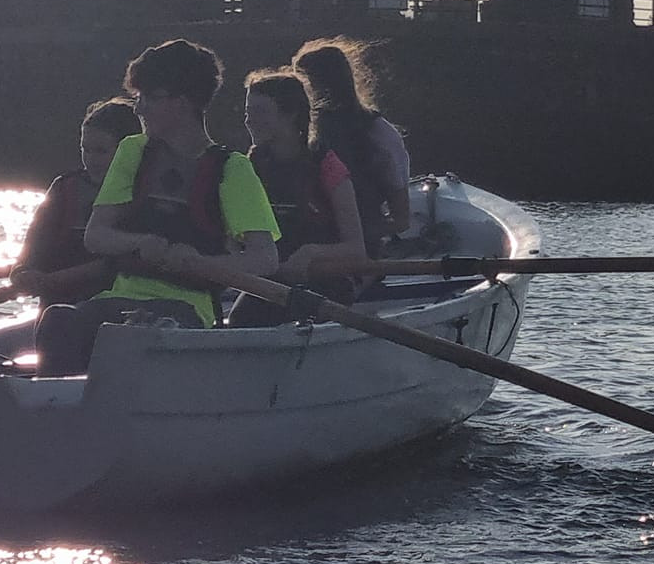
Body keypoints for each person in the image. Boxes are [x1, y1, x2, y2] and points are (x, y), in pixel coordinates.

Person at [33, 40, 278, 373]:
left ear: (183, 102)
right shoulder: (133, 152)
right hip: (120, 299)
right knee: (58, 321)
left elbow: (264, 258)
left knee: (143, 335)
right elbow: (97, 236)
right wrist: (140, 243)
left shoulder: (232, 168)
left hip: (189, 308)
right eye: (139, 98)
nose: (139, 109)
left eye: (149, 98)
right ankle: (58, 410)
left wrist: (201, 261)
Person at [226, 70, 366, 326]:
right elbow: (234, 234)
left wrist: (309, 253)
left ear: (290, 115)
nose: (249, 121)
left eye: (259, 112)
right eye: (248, 112)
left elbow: (357, 250)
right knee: (238, 321)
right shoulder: (252, 164)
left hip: (326, 281)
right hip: (271, 281)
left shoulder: (327, 166)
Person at [13, 98, 139, 307]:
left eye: (101, 151)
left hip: (113, 308)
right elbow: (35, 243)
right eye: (85, 149)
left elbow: (120, 263)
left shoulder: (142, 195)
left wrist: (53, 280)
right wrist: (22, 271)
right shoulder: (65, 188)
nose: (91, 159)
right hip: (59, 307)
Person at [292, 38, 412, 247]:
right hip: (300, 247)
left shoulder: (377, 133)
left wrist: (352, 231)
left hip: (356, 254)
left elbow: (401, 220)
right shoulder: (291, 132)